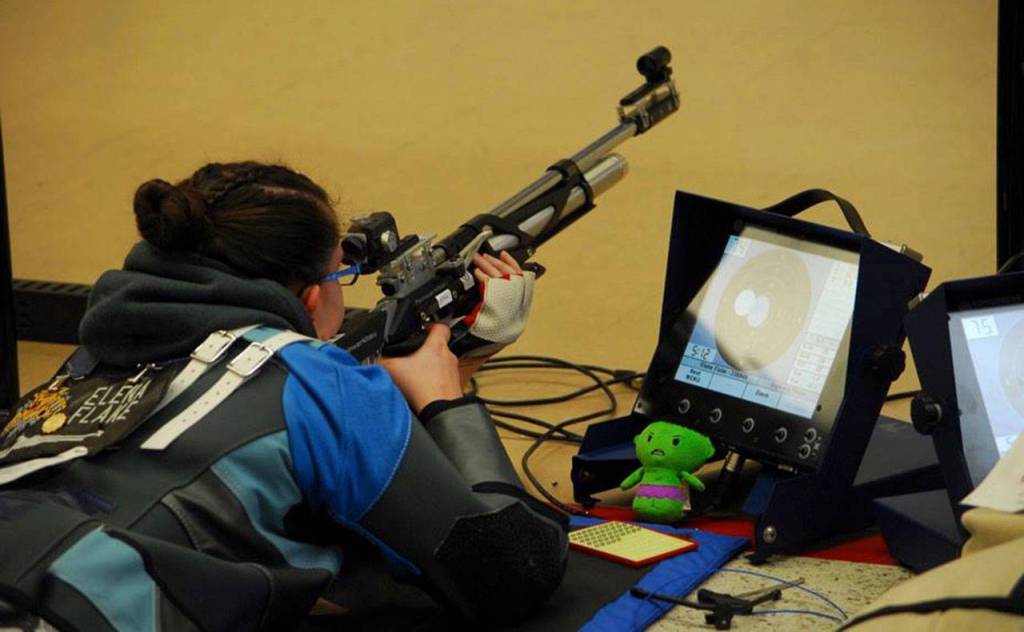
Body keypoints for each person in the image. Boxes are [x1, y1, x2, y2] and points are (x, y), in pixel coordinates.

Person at [0, 161, 568, 631]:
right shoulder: (317, 381)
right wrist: (448, 397)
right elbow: (509, 571)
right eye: (342, 276)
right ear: (311, 297)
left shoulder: (81, 366)